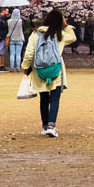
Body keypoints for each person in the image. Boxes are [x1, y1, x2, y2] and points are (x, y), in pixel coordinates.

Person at [21, 9, 77, 137]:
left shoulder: (36, 34)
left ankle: (45, 126)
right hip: (56, 70)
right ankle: (52, 126)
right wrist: (67, 25)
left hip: (39, 70)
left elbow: (29, 54)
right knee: (55, 98)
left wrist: (25, 68)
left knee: (44, 99)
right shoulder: (60, 35)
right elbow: (73, 38)